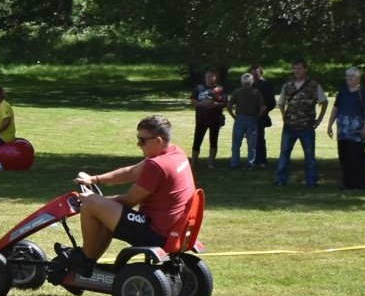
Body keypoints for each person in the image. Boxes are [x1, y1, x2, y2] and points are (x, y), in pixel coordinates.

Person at [56, 115, 196, 276]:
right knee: (102, 211)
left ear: (158, 140)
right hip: (172, 229)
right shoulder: (174, 152)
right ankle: (88, 262)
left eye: (142, 140)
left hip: (155, 232)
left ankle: (84, 258)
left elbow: (129, 201)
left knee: (90, 204)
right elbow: (131, 172)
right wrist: (94, 179)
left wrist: (95, 202)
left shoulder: (157, 166)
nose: (138, 144)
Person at [274, 59, 328, 186]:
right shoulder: (287, 85)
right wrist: (284, 116)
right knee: (284, 154)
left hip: (307, 126)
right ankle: (280, 180)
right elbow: (281, 103)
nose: (296, 71)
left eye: (299, 68)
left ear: (305, 69)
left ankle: (311, 181)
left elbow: (324, 102)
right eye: (295, 68)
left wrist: (319, 119)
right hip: (289, 126)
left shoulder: (313, 85)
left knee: (309, 155)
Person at [326, 67, 365, 190]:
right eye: (348, 76)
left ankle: (359, 183)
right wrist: (330, 124)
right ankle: (347, 183)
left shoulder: (364, 91)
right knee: (344, 158)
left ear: (358, 78)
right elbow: (335, 108)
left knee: (357, 158)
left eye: (352, 76)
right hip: (342, 132)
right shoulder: (342, 92)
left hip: (357, 132)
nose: (349, 78)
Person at [227, 73, 266, 170]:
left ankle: (234, 164)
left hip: (239, 118)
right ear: (252, 82)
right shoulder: (256, 92)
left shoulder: (237, 92)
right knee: (252, 145)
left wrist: (234, 116)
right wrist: (257, 117)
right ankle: (250, 164)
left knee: (236, 143)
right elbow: (263, 107)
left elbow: (229, 106)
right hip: (252, 118)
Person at [189, 68, 226, 169]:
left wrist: (215, 104)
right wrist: (201, 104)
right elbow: (192, 100)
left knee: (213, 141)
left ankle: (211, 163)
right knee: (197, 140)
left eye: (212, 76)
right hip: (201, 119)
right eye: (208, 76)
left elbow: (224, 102)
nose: (210, 78)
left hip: (215, 119)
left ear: (215, 77)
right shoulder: (199, 88)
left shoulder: (220, 89)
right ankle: (193, 163)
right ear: (205, 77)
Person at [250, 64, 276, 168]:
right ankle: (253, 160)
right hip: (250, 115)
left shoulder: (266, 85)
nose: (254, 76)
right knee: (251, 139)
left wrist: (264, 111)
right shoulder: (250, 85)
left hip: (261, 116)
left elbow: (272, 103)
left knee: (260, 138)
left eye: (256, 74)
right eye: (252, 74)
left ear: (260, 73)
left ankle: (261, 161)